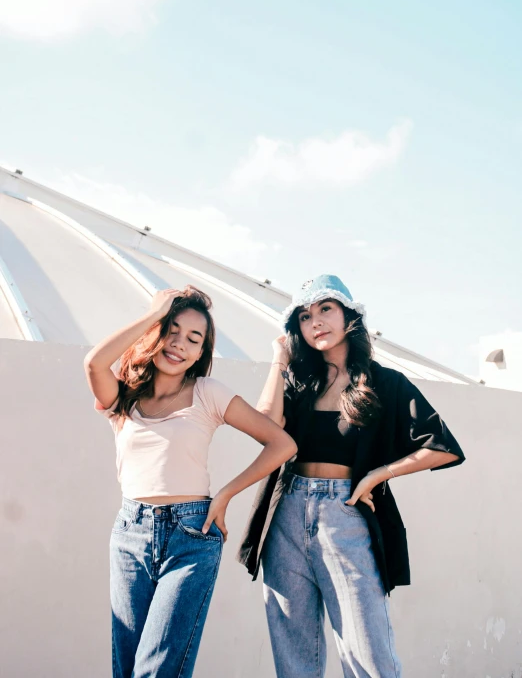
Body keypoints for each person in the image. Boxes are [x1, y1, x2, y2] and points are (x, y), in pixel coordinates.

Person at [238, 274, 465, 678]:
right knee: (294, 659)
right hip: (286, 516)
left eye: (326, 309)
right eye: (305, 317)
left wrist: (377, 475)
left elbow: (442, 446)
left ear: (348, 316)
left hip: (346, 515)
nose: (316, 322)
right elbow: (264, 429)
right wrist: (279, 360)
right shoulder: (298, 382)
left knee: (369, 658)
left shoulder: (383, 382)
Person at [84, 285, 296, 678]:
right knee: (126, 667)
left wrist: (226, 494)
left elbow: (281, 444)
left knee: (156, 669)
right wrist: (153, 314)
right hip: (130, 533)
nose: (179, 344)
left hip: (191, 534)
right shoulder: (125, 397)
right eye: (172, 330)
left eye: (193, 339)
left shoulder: (207, 393)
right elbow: (95, 364)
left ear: (201, 353)